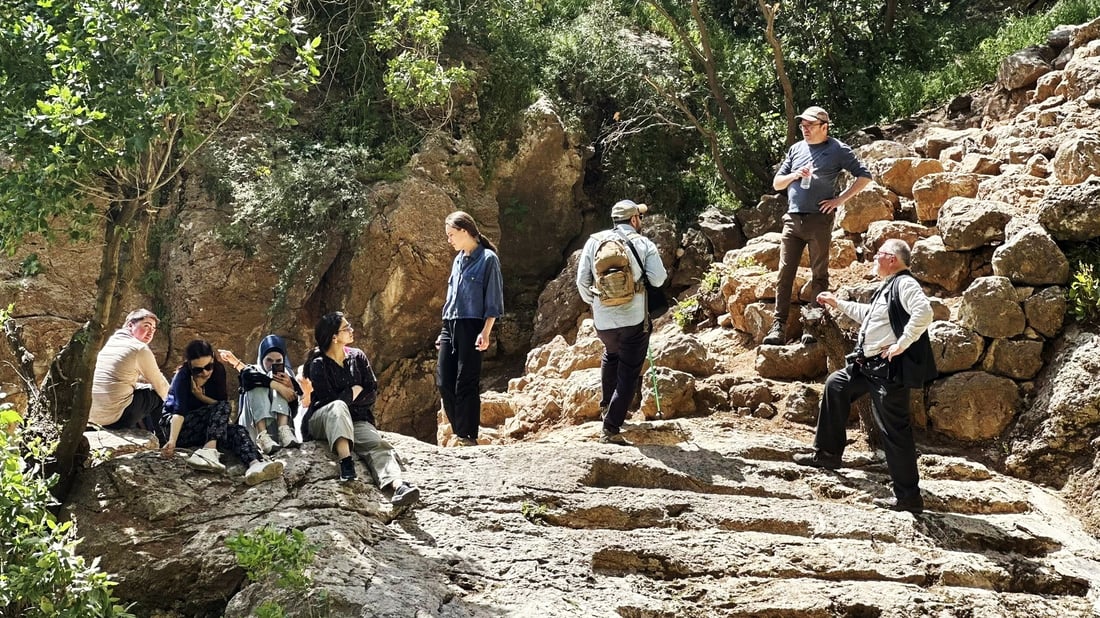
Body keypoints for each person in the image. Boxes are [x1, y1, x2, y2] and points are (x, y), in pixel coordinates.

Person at [793, 238, 936, 514]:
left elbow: (924, 312)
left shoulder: (905, 283)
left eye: (878, 255)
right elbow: (871, 315)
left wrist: (901, 343)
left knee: (894, 430)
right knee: (837, 385)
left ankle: (908, 497)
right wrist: (838, 303)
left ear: (892, 259)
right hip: (867, 366)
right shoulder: (889, 286)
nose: (873, 259)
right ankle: (827, 455)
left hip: (888, 369)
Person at [764, 106, 873, 345]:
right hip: (793, 219)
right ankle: (778, 327)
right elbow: (777, 184)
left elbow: (864, 176)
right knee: (784, 274)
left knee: (819, 274)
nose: (805, 129)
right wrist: (794, 175)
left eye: (810, 125)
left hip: (819, 220)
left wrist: (839, 200)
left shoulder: (837, 149)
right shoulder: (796, 149)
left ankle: (812, 327)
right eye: (802, 125)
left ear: (824, 127)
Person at [303, 312, 421, 507]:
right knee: (338, 407)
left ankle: (399, 486)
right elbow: (329, 401)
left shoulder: (357, 357)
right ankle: (346, 462)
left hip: (356, 419)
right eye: (346, 328)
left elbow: (371, 392)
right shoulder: (318, 364)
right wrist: (353, 391)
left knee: (377, 444)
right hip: (322, 421)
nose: (351, 330)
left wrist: (352, 396)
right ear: (334, 336)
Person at [576, 199, 668, 445]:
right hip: (634, 319)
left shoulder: (594, 242)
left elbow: (581, 283)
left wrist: (597, 304)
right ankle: (611, 427)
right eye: (640, 217)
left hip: (604, 321)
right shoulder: (643, 243)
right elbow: (658, 279)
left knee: (611, 355)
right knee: (628, 371)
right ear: (634, 220)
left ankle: (608, 408)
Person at [161, 339, 284, 485]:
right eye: (198, 370)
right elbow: (178, 411)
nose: (205, 372)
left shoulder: (218, 371)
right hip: (178, 426)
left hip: (207, 428)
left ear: (213, 359)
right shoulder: (182, 376)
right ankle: (208, 452)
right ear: (190, 366)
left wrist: (201, 397)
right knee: (223, 407)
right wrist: (172, 441)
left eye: (208, 366)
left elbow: (220, 407)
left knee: (237, 430)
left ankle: (255, 465)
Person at [436, 211, 504, 447]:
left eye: (451, 235)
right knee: (444, 381)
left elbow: (493, 300)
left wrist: (486, 331)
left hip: (473, 325)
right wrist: (443, 329)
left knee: (466, 381)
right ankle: (460, 431)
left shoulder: (488, 259)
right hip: (450, 324)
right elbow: (451, 298)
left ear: (465, 231)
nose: (449, 240)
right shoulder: (458, 260)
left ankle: (467, 436)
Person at [89, 308, 171, 437]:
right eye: (146, 326)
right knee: (156, 394)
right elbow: (160, 385)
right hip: (114, 419)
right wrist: (177, 408)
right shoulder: (139, 348)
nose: (150, 332)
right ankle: (164, 441)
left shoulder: (109, 343)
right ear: (130, 325)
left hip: (91, 416)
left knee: (140, 390)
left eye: (153, 329)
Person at [219, 335, 301, 455]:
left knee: (278, 376)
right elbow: (249, 375)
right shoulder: (253, 370)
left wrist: (289, 387)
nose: (273, 364)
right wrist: (278, 386)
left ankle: (284, 430)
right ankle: (262, 436)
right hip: (252, 428)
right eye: (269, 360)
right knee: (256, 381)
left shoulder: (287, 374)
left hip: (277, 429)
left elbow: (294, 411)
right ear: (262, 358)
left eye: (278, 361)